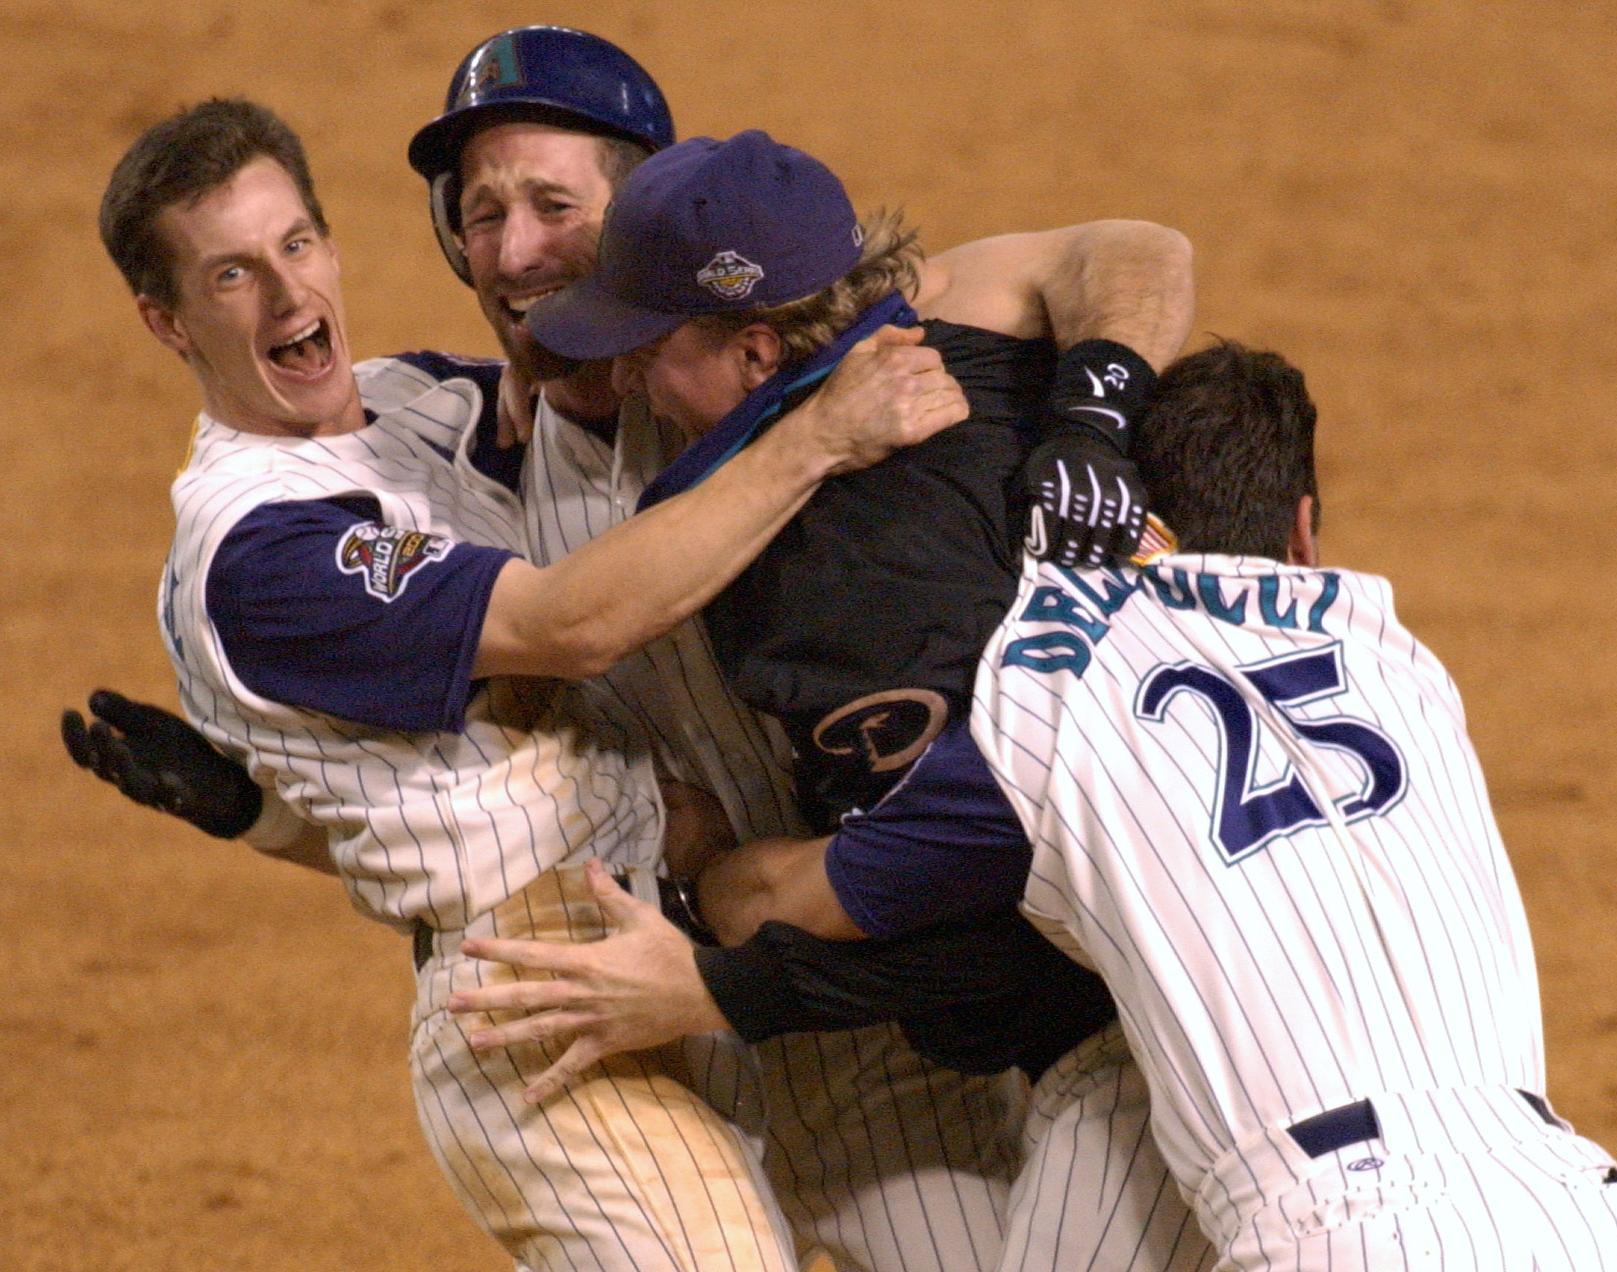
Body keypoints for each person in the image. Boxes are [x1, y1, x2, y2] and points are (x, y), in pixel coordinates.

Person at [73, 26, 1204, 1271]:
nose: (514, 251)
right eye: (481, 213)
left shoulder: (479, 405)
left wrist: (1093, 419)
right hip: (581, 979)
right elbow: (536, 682)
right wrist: (819, 438)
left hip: (839, 986)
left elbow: (1123, 251)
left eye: (553, 207)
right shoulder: (441, 482)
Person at [450, 341, 1617, 1270]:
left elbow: (787, 895)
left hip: (1339, 1230)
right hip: (1583, 1207)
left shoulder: (1061, 701)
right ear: (1303, 529)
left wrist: (706, 887)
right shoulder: (1400, 660)